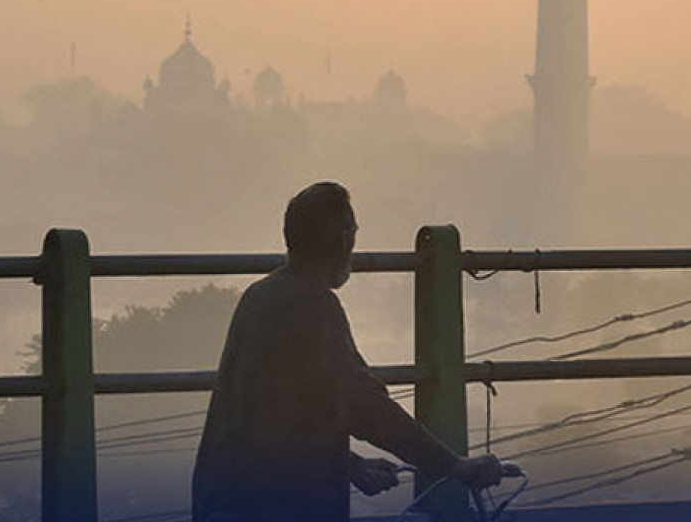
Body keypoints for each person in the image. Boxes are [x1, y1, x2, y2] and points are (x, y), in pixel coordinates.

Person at [192, 182, 502, 522]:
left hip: (224, 497)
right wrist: (452, 464)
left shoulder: (259, 296)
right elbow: (362, 404)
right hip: (280, 506)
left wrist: (350, 466)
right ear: (344, 240)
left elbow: (274, 422)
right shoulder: (314, 305)